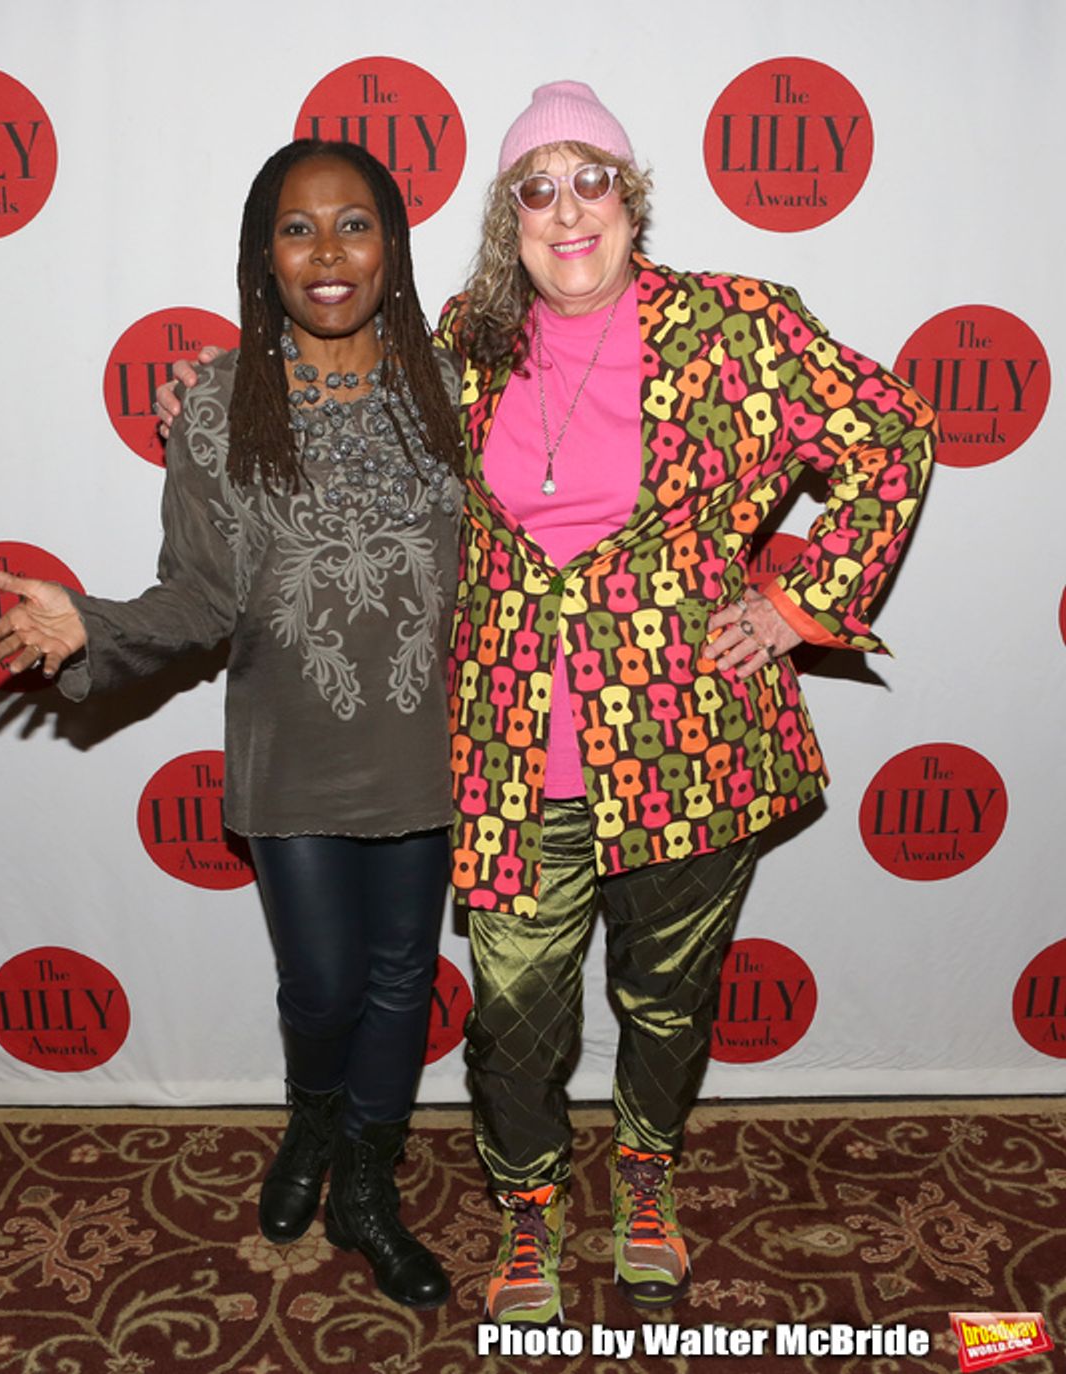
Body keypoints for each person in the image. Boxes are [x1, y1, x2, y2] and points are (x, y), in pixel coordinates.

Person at [158, 82, 936, 1327]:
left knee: (667, 998)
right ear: (507, 217)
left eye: (592, 180)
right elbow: (330, 365)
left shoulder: (737, 326)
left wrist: (802, 605)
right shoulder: (465, 340)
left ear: (633, 198)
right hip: (510, 740)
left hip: (691, 739)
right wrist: (216, 378)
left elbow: (893, 433)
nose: (567, 210)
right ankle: (530, 1201)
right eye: (537, 188)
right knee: (515, 1009)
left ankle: (646, 1181)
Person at [0, 139, 464, 1311]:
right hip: (292, 756)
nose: (328, 251)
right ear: (263, 256)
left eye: (354, 224)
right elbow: (201, 595)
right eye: (298, 228)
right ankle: (311, 1122)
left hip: (427, 749)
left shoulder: (461, 389)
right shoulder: (217, 406)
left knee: (404, 978)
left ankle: (365, 1184)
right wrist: (92, 626)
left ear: (393, 248)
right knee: (324, 986)